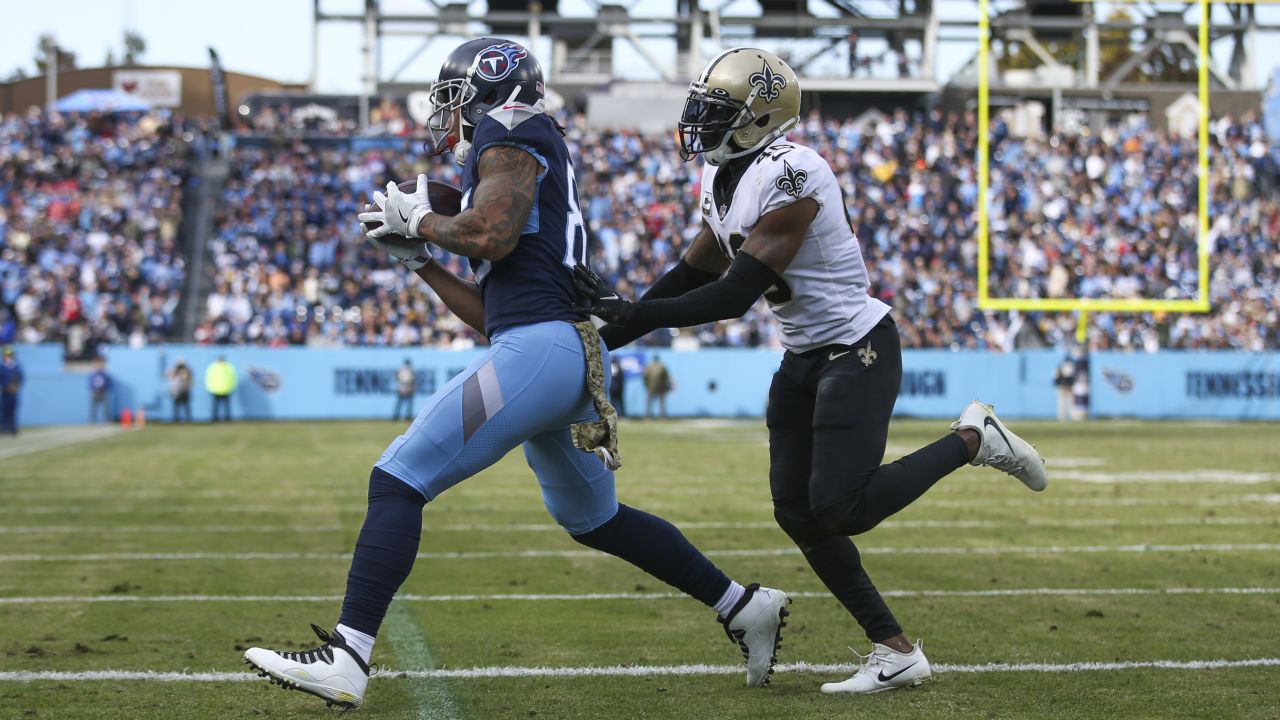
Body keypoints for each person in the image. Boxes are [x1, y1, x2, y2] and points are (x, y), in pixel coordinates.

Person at [244, 38, 790, 711]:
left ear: (486, 89)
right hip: (553, 349)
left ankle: (349, 655)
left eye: (453, 96)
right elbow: (494, 315)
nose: (448, 112)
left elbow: (491, 237)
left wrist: (423, 217)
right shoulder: (515, 146)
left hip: (544, 353)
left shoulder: (508, 129)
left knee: (396, 479)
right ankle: (743, 605)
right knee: (596, 520)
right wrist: (421, 261)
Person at [575, 48, 1048, 695]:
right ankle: (896, 651)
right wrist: (603, 335)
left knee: (838, 507)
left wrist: (627, 312)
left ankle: (973, 440)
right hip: (804, 355)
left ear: (760, 117)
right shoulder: (724, 180)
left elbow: (734, 294)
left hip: (859, 347)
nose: (700, 122)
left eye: (717, 112)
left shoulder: (793, 172)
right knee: (796, 512)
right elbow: (690, 272)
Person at [204, 356, 237, 422]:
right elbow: (209, 378)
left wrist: (231, 387)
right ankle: (214, 418)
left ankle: (227, 418)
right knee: (216, 406)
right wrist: (210, 388)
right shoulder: (213, 367)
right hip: (216, 390)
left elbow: (233, 378)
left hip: (226, 389)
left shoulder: (228, 367)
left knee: (226, 406)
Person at [0, 346, 21, 435]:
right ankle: (4, 428)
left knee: (13, 410)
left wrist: (15, 386)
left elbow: (20, 378)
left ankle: (13, 428)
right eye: (6, 355)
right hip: (4, 392)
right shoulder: (2, 367)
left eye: (10, 355)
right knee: (4, 410)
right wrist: (6, 386)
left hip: (13, 392)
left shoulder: (16, 366)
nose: (8, 357)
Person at [168, 358, 193, 423]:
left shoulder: (186, 371)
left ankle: (188, 420)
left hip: (184, 391)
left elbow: (188, 381)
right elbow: (171, 378)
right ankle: (176, 419)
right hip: (178, 391)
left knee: (185, 406)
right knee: (178, 406)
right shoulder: (176, 371)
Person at [89, 357, 112, 424]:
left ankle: (107, 420)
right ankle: (92, 420)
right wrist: (92, 389)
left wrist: (107, 388)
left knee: (105, 407)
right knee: (94, 407)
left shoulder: (104, 374)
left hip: (103, 391)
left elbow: (107, 382)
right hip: (95, 391)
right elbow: (91, 383)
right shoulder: (93, 374)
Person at [1053, 355, 1075, 422]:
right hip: (1063, 387)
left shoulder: (1060, 367)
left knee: (1068, 402)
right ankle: (1063, 417)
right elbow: (1056, 378)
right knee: (1063, 402)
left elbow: (1055, 378)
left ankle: (1069, 417)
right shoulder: (1067, 367)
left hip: (1067, 387)